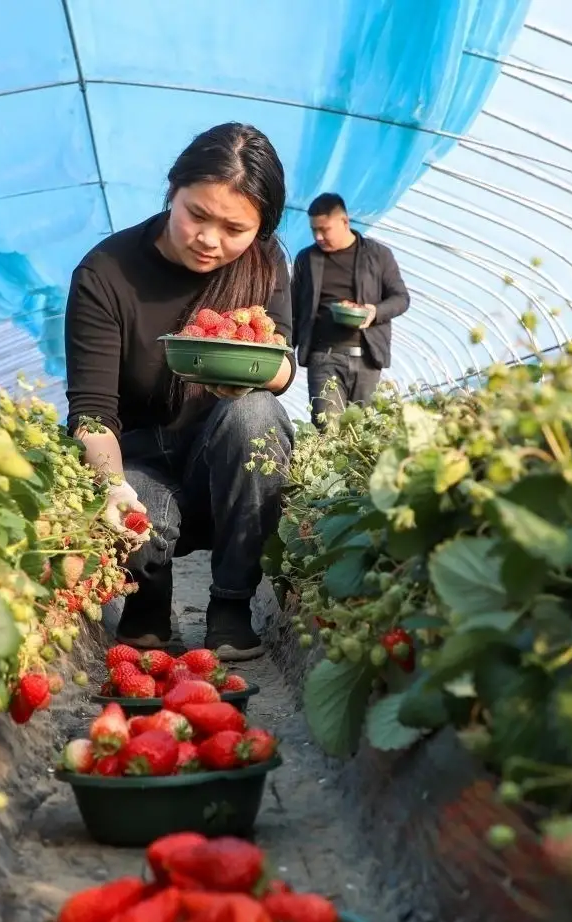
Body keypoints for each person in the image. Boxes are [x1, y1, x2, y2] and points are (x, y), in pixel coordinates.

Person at [63, 122, 298, 660]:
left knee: (255, 415)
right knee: (134, 497)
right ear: (173, 191)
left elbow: (283, 371)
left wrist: (247, 375)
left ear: (260, 229)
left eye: (234, 228)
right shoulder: (107, 273)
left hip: (224, 469)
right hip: (144, 461)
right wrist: (111, 486)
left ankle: (233, 604)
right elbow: (94, 412)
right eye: (197, 214)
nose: (210, 239)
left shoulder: (266, 264)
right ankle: (146, 604)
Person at [290, 193, 411, 426]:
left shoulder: (378, 255)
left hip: (367, 357)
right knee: (328, 431)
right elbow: (294, 308)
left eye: (324, 229)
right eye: (314, 230)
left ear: (344, 222)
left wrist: (374, 312)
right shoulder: (306, 259)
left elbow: (401, 298)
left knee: (361, 433)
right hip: (323, 357)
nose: (318, 236)